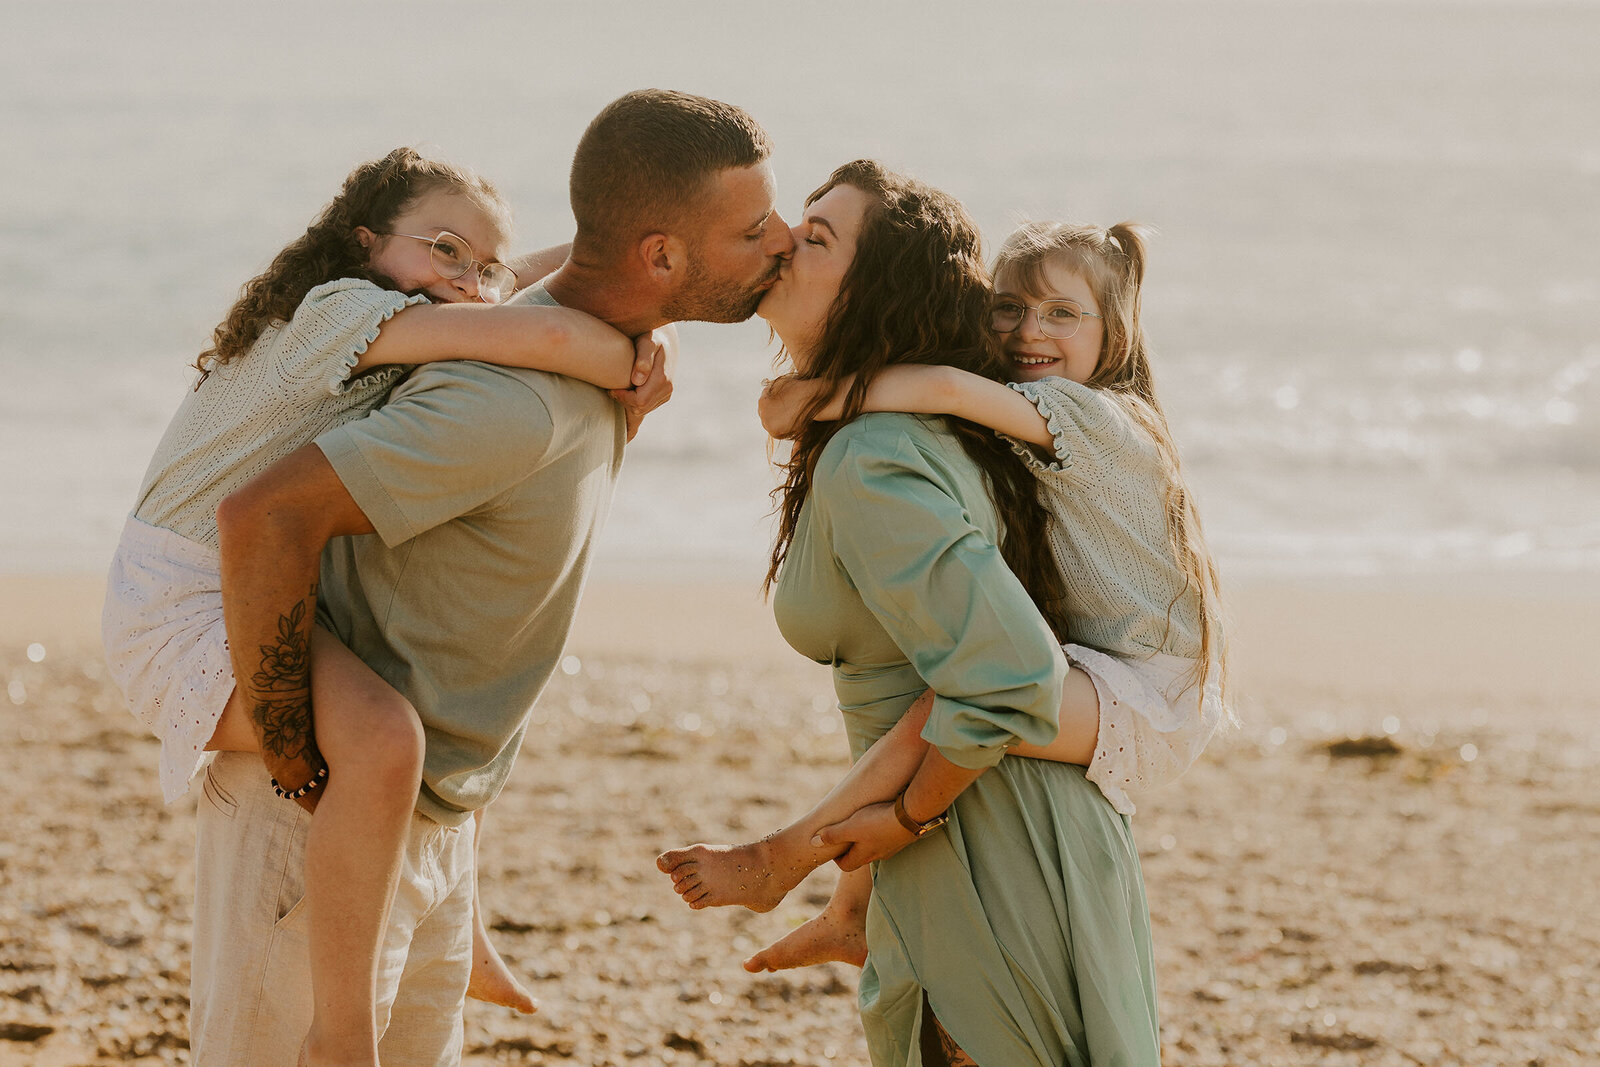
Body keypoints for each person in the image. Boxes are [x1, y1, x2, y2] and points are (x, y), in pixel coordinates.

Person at [186, 89, 791, 1065]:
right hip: (319, 814)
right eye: (755, 228)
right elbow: (262, 516)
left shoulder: (594, 349)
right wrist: (297, 755)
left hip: (423, 823)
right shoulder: (508, 400)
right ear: (663, 255)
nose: (786, 239)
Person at [99, 146, 665, 1062]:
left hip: (252, 573)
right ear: (365, 242)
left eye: (482, 265)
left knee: (443, 672)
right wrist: (638, 344)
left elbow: (525, 283)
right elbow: (543, 333)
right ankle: (342, 1033)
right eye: (445, 249)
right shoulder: (340, 312)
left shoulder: (421, 304)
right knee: (386, 737)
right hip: (182, 595)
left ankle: (462, 921)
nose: (470, 283)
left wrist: (615, 284)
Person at [669, 161, 1162, 1065]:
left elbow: (1010, 675)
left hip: (987, 846)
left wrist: (906, 820)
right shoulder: (885, 434)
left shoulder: (877, 455)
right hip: (969, 829)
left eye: (815, 236)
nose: (780, 239)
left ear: (874, 289)